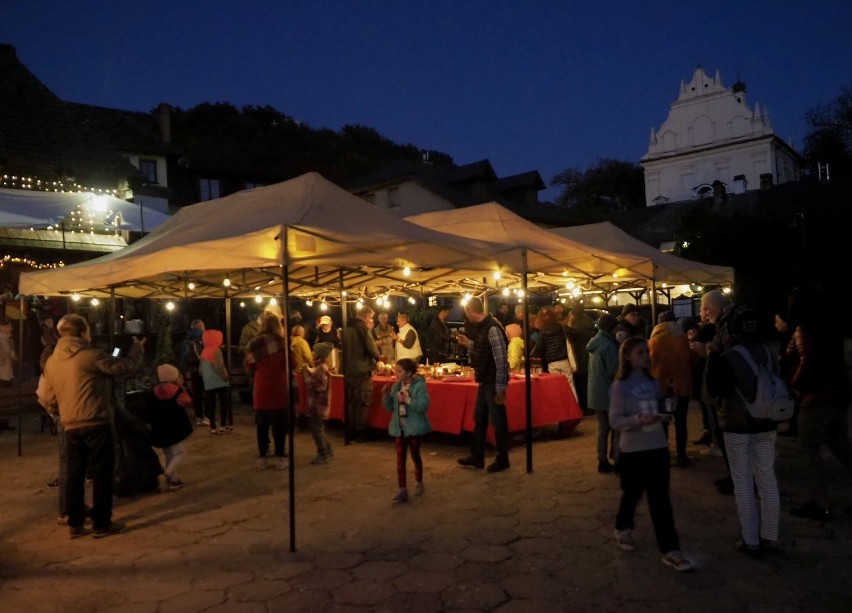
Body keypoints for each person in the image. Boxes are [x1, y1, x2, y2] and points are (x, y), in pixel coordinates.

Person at [37, 314, 145, 538]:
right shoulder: (90, 356)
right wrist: (137, 348)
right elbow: (124, 367)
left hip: (70, 425)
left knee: (74, 475)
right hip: (96, 421)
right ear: (83, 332)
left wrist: (64, 413)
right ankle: (101, 522)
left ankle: (75, 523)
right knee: (101, 474)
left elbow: (47, 397)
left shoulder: (52, 361)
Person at [609, 336, 694, 572]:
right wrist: (638, 420)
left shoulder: (654, 382)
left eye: (646, 352)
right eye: (639, 353)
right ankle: (623, 527)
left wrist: (668, 409)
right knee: (632, 494)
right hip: (633, 450)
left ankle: (670, 549)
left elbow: (660, 408)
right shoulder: (620, 387)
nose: (646, 356)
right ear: (626, 356)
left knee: (661, 500)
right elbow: (615, 420)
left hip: (656, 447)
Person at [705, 306, 781, 556]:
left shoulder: (730, 356)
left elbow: (714, 389)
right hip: (767, 424)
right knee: (767, 479)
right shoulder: (769, 353)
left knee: (743, 482)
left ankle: (750, 540)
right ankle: (770, 536)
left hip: (738, 426)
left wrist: (713, 356)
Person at [785, 287, 852, 521]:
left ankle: (821, 503)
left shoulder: (805, 329)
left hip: (816, 398)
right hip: (839, 394)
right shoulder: (831, 325)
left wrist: (795, 385)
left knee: (807, 448)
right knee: (840, 444)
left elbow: (808, 360)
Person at [690, 290, 738, 495]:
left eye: (703, 308)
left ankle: (739, 479)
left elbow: (726, 354)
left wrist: (707, 350)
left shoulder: (727, 326)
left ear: (713, 309)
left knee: (728, 431)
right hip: (729, 388)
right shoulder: (727, 323)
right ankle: (737, 475)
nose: (703, 312)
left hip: (727, 390)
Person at [455, 297, 511, 473]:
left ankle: (503, 459)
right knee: (479, 418)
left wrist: (501, 386)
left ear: (471, 310)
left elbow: (501, 358)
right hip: (485, 380)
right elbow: (484, 349)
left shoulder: (492, 327)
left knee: (497, 421)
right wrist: (469, 344)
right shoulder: (485, 327)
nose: (466, 315)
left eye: (466, 311)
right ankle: (477, 456)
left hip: (492, 381)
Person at [648, 311, 694, 467]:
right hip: (681, 387)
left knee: (663, 422)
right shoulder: (682, 339)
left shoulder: (653, 341)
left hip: (661, 388)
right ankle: (681, 456)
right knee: (681, 422)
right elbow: (690, 359)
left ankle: (663, 455)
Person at [243, 312, 289, 470]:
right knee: (279, 425)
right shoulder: (282, 343)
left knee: (262, 425)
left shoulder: (254, 343)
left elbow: (248, 365)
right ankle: (280, 456)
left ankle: (263, 457)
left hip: (261, 387)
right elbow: (293, 363)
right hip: (279, 386)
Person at [383, 357, 431, 503]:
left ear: (409, 373)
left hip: (414, 428)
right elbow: (390, 407)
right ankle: (402, 489)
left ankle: (418, 481)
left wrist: (407, 400)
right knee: (400, 459)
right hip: (399, 427)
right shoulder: (396, 387)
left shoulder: (419, 387)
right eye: (395, 370)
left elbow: (422, 406)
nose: (396, 373)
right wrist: (386, 396)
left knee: (415, 455)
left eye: (399, 371)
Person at [149, 364, 194, 491]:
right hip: (176, 428)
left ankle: (174, 480)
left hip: (160, 429)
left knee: (169, 454)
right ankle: (167, 475)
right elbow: (187, 401)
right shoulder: (177, 391)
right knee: (180, 453)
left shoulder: (154, 391)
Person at [587, 313, 620, 473]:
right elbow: (614, 370)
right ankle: (616, 457)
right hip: (608, 391)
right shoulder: (609, 345)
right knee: (615, 427)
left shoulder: (594, 343)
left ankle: (602, 459)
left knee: (603, 428)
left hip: (595, 391)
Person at [344, 306, 383, 442]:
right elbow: (371, 348)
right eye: (370, 318)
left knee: (351, 402)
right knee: (363, 402)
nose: (370, 320)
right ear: (366, 317)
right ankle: (360, 432)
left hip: (349, 371)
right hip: (362, 370)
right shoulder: (362, 329)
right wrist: (379, 357)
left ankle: (350, 430)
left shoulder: (346, 329)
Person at [531, 306, 577, 398]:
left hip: (552, 363)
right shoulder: (560, 327)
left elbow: (539, 347)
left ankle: (560, 408)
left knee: (556, 386)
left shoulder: (542, 331)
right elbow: (575, 333)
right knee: (570, 385)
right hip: (564, 360)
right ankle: (574, 407)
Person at [304, 342, 333, 465]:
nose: (312, 352)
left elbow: (321, 386)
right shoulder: (321, 367)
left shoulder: (321, 368)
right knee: (320, 428)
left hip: (318, 405)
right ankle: (328, 450)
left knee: (317, 429)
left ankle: (323, 453)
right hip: (319, 404)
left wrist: (307, 377)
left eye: (314, 351)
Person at [200, 328, 232, 434]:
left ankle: (213, 427)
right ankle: (223, 425)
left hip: (208, 383)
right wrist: (225, 376)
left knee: (211, 405)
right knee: (223, 404)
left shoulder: (203, 351)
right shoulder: (216, 350)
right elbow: (219, 366)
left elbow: (201, 369)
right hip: (219, 381)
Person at [566, 303, 596, 414]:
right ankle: (590, 405)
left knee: (580, 381)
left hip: (578, 353)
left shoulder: (574, 323)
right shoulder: (589, 321)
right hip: (588, 353)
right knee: (588, 380)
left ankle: (584, 406)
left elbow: (572, 335)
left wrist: (568, 324)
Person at [179, 319, 207, 427]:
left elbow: (184, 357)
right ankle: (206, 416)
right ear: (200, 326)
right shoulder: (201, 337)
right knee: (206, 393)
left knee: (197, 394)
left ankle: (198, 416)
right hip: (201, 369)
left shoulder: (187, 338)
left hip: (192, 371)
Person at [0, 318, 17, 386]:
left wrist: (13, 355)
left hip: (7, 371)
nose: (11, 328)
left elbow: (12, 354)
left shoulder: (9, 340)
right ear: (2, 327)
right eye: (9, 326)